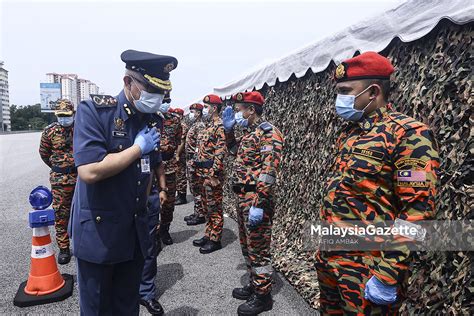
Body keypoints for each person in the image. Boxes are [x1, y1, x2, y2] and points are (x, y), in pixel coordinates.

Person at [315, 51, 440, 314]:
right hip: (332, 258)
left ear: (372, 92)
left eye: (346, 90)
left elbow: (418, 213)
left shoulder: (409, 134)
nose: (340, 99)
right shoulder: (350, 133)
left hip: (368, 268)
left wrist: (387, 274)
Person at [70, 49, 177, 315]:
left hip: (135, 233)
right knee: (98, 308)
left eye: (162, 92)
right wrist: (137, 149)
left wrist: (154, 199)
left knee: (128, 307)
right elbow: (90, 171)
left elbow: (149, 168)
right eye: (151, 88)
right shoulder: (96, 112)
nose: (158, 97)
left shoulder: (150, 119)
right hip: (100, 235)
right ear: (128, 82)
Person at [222, 91, 284, 315]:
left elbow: (268, 172)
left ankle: (263, 296)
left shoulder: (269, 133)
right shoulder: (250, 134)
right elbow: (233, 151)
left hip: (256, 200)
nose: (237, 113)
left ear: (251, 110)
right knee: (247, 247)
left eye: (239, 109)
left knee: (258, 250)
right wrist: (229, 131)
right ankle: (255, 283)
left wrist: (259, 202)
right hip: (243, 199)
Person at [39, 99, 77, 265]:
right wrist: (59, 167)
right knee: (61, 214)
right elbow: (44, 153)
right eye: (60, 116)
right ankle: (64, 248)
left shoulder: (82, 129)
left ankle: (84, 244)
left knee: (84, 212)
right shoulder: (50, 131)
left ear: (73, 114)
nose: (63, 119)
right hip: (60, 181)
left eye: (66, 115)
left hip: (81, 179)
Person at [191, 94, 227, 254]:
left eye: (206, 107)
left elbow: (220, 152)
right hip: (201, 173)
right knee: (206, 207)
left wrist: (213, 174)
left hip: (212, 175)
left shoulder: (220, 126)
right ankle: (208, 234)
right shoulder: (207, 126)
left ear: (214, 108)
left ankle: (215, 239)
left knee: (214, 207)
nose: (204, 109)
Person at [157, 99, 182, 245]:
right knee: (151, 201)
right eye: (162, 100)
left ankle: (164, 230)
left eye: (167, 100)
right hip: (152, 167)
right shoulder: (147, 117)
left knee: (169, 202)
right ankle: (152, 232)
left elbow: (178, 141)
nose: (164, 103)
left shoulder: (175, 120)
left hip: (169, 167)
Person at [184, 103, 207, 226]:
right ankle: (196, 211)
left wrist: (196, 161)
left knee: (197, 189)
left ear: (198, 113)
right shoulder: (194, 125)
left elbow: (200, 145)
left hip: (195, 161)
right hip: (190, 160)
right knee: (193, 188)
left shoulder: (200, 126)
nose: (191, 114)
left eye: (193, 111)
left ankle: (201, 214)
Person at [174, 108, 189, 206]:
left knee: (181, 174)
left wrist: (177, 154)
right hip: (177, 153)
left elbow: (182, 142)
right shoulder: (177, 125)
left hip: (181, 154)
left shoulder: (182, 126)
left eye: (177, 115)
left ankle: (182, 196)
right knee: (177, 174)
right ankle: (179, 194)